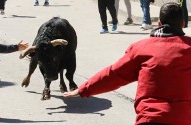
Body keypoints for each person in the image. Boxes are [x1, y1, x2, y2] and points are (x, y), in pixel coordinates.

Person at [63, 2, 191, 125]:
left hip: (149, 119)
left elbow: (114, 74)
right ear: (183, 23)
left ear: (159, 23)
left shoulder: (141, 48)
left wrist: (84, 89)